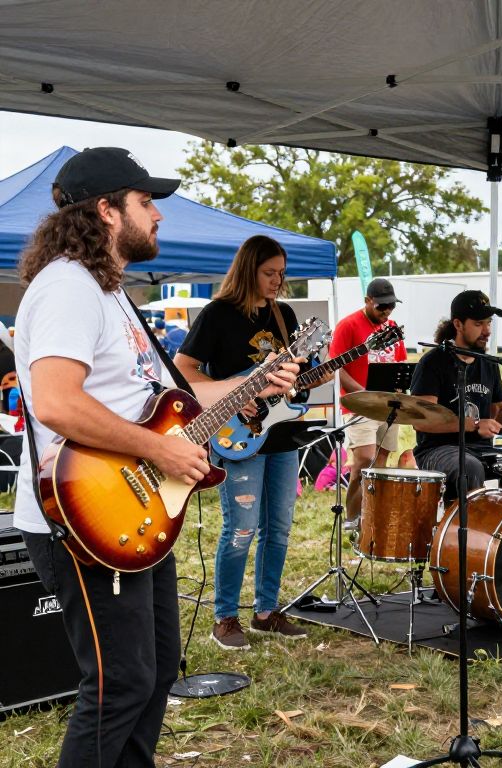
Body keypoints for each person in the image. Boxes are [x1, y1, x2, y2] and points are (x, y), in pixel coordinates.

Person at [13, 148, 297, 766]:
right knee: (120, 684)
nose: (159, 216)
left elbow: (167, 395)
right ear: (107, 210)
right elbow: (57, 402)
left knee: (159, 667)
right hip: (83, 517)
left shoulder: (106, 289)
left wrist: (259, 380)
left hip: (134, 509)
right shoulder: (67, 286)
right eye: (146, 203)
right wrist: (158, 450)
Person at [174, 235, 309, 650]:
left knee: (279, 528)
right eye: (270, 273)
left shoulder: (284, 314)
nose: (277, 281)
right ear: (248, 270)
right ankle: (225, 617)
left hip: (282, 434)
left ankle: (267, 611)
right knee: (241, 529)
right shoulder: (217, 314)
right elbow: (183, 372)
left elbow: (295, 380)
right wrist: (236, 393)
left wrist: (305, 380)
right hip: (236, 434)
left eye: (282, 274)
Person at [410, 290, 502, 501]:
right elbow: (422, 422)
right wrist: (475, 424)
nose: (486, 331)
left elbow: (499, 421)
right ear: (458, 325)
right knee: (469, 467)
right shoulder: (433, 362)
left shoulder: (489, 364)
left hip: (481, 449)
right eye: (478, 324)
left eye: (488, 323)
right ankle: (469, 531)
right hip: (438, 450)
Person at [329, 277, 407, 530]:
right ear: (367, 301)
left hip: (388, 404)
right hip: (359, 405)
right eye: (381, 307)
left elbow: (400, 361)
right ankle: (352, 518)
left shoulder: (392, 327)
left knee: (382, 461)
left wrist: (399, 389)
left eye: (391, 307)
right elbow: (336, 368)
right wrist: (363, 394)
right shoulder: (348, 325)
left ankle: (372, 516)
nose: (386, 312)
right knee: (364, 458)